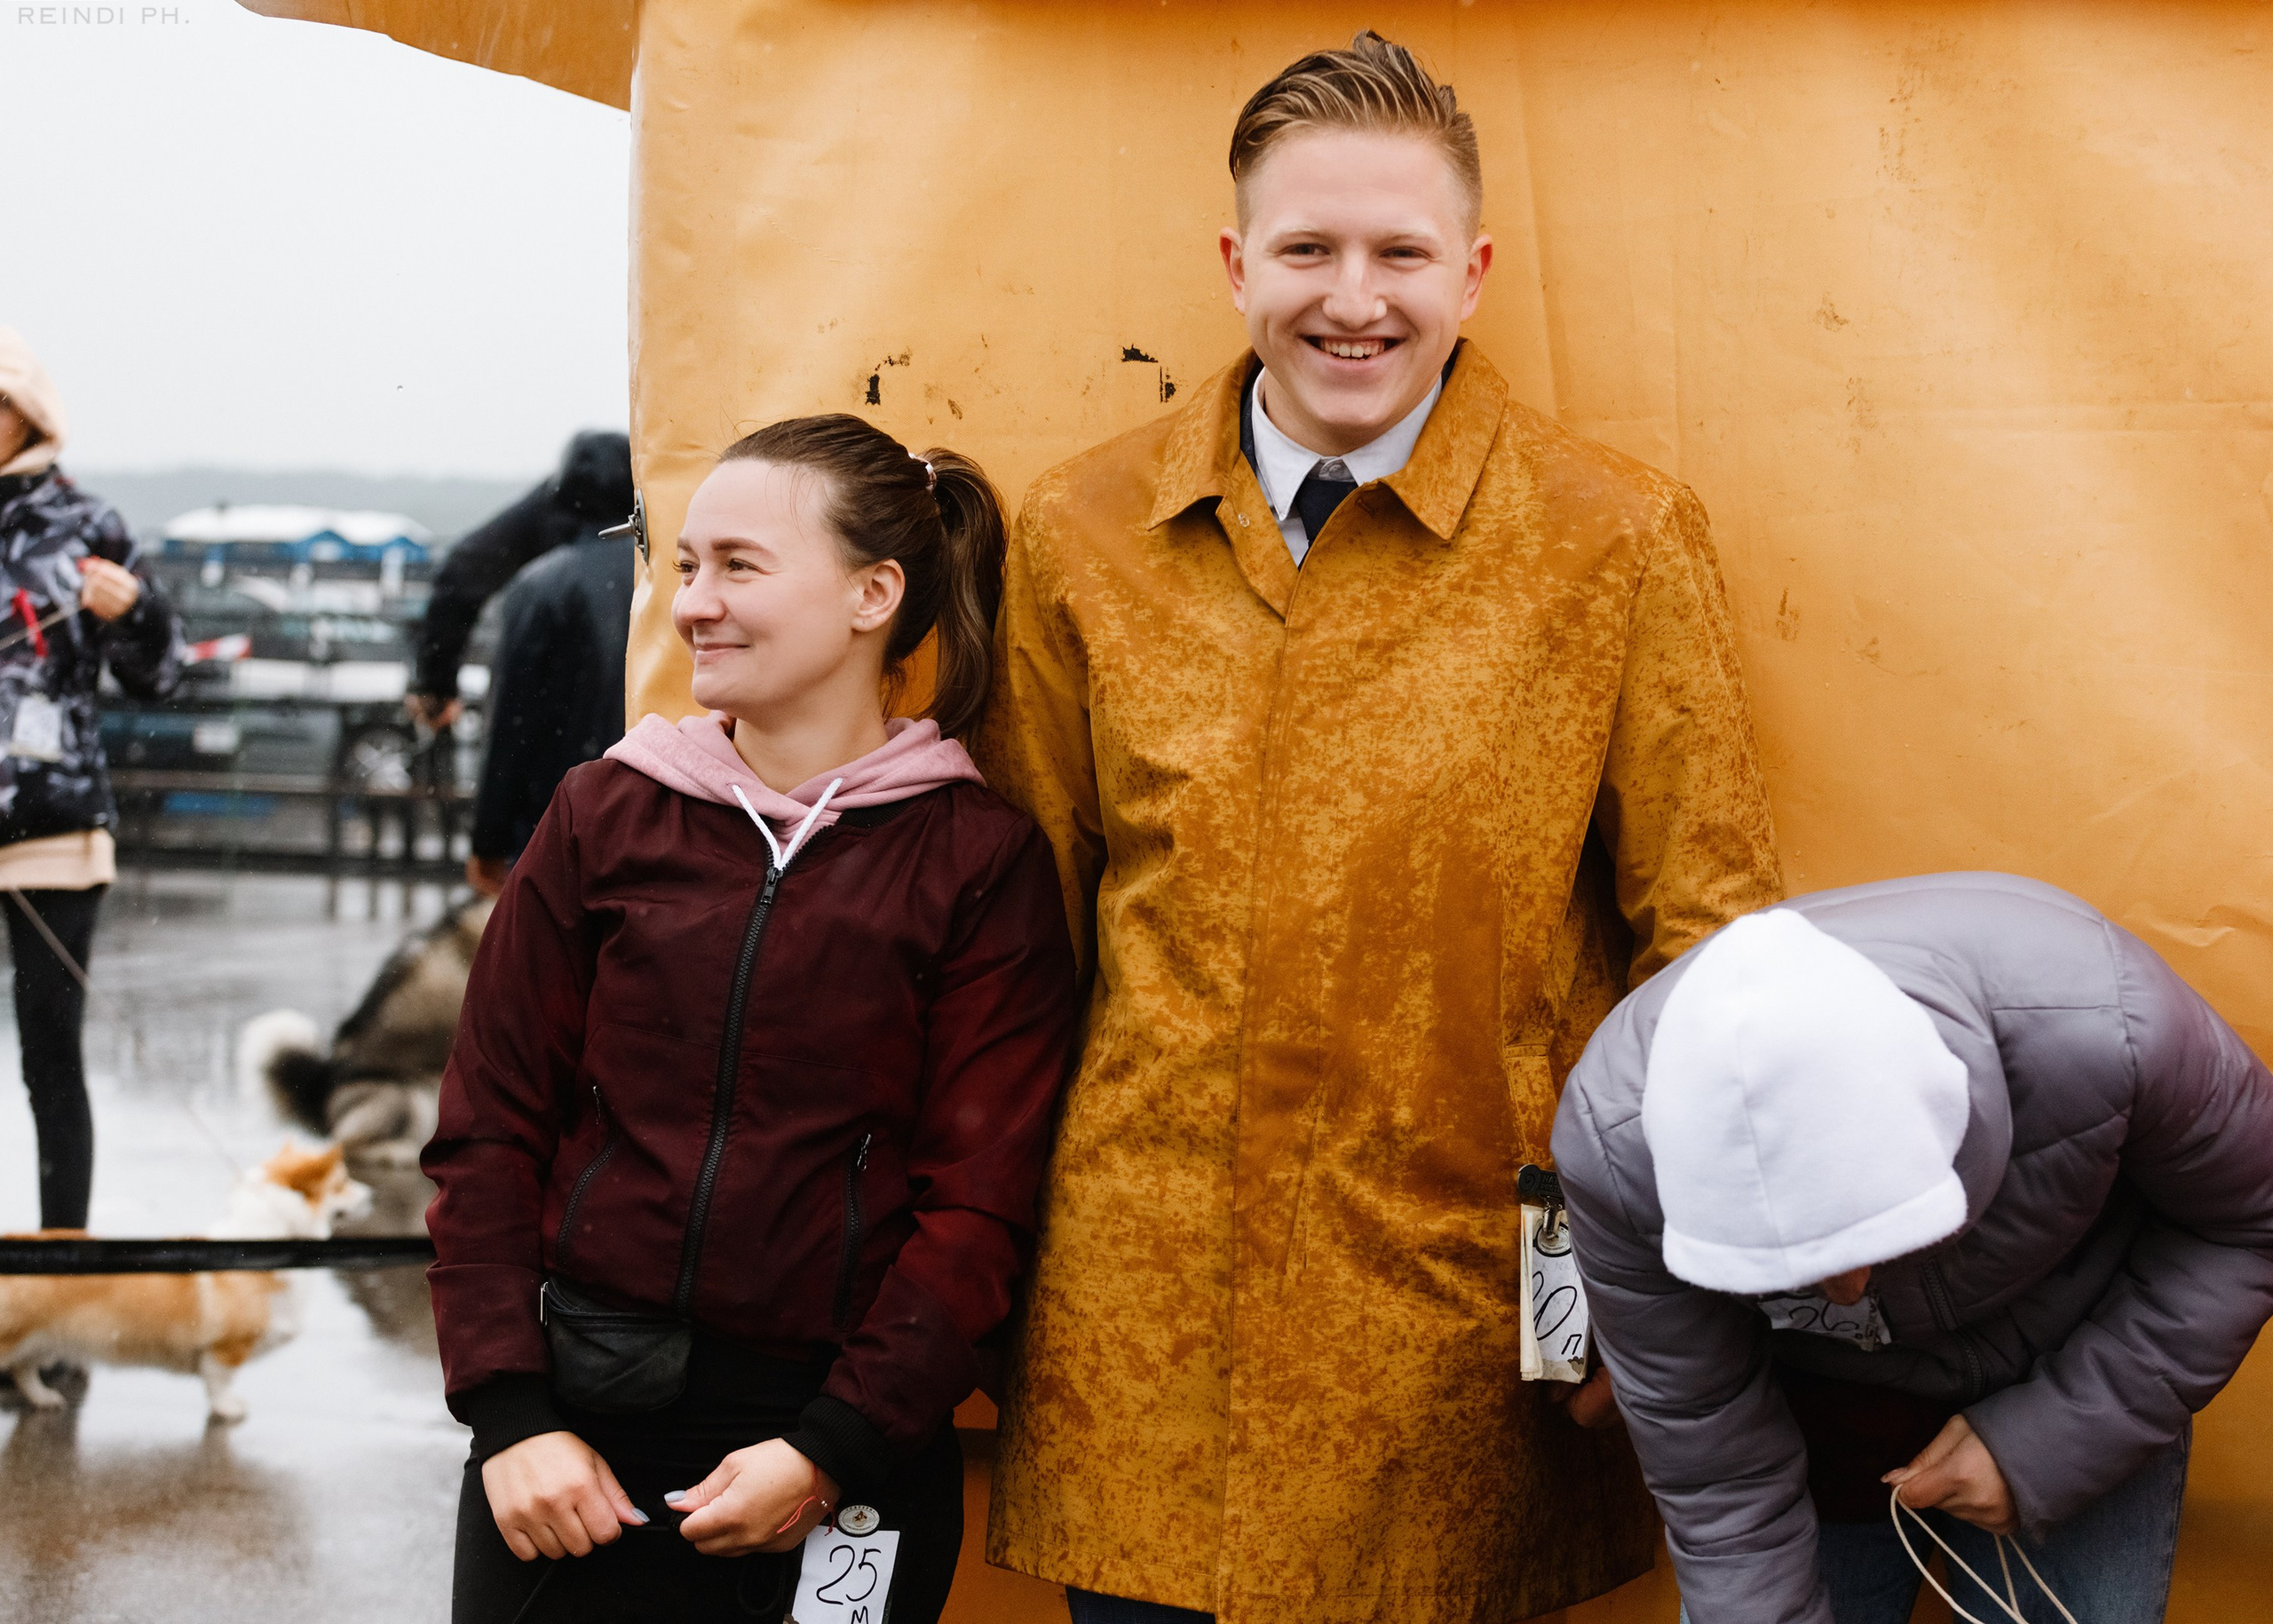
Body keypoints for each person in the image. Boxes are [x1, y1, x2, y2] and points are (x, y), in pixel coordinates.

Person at [976, 33, 1782, 1624]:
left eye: (1401, 251)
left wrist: (1677, 1288)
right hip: (1144, 1324)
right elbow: (1020, 943)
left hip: (1461, 1318)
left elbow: (1713, 941)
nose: (1357, 296)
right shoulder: (1080, 535)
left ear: (1473, 272)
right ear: (1234, 263)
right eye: (1308, 249)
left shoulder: (1610, 539)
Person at [425, 414, 1079, 1623]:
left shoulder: (977, 862)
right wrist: (511, 1415)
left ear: (873, 593)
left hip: (832, 1464)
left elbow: (979, 1204)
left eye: (739, 566)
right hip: (572, 1452)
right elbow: (488, 1132)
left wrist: (833, 1446)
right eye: (686, 565)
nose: (693, 605)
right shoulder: (602, 815)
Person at [1548, 873, 2273, 1624]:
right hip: (1818, 1413)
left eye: (1870, 1231)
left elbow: (2254, 1222)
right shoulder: (1615, 1156)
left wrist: (2051, 1441)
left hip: (2093, 1369)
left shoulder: (2108, 1024)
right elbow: (1717, 1479)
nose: (1846, 1292)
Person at [0, 329, 182, 1232]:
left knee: (50, 1060)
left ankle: (61, 1276)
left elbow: (160, 673)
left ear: (26, 414)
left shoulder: (89, 524)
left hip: (54, 833)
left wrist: (141, 612)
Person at [407, 429, 633, 729]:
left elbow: (463, 572)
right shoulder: (655, 511)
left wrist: (435, 684)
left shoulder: (550, 508)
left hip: (545, 701)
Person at [463, 515, 634, 893]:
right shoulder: (666, 575)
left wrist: (488, 837)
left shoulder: (542, 583)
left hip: (554, 819)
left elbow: (510, 721)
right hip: (647, 816)